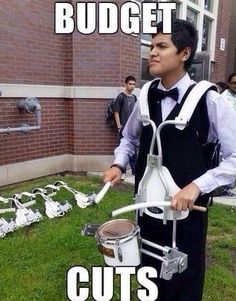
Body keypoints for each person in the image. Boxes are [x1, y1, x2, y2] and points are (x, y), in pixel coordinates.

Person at [103, 19, 236, 301]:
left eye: (162, 46)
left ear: (184, 54)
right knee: (148, 279)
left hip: (186, 218)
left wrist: (197, 186)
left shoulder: (211, 100)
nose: (152, 52)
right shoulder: (145, 94)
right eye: (151, 45)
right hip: (146, 212)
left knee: (183, 284)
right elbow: (129, 139)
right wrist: (119, 164)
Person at [113, 75, 137, 175]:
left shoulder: (135, 98)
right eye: (130, 84)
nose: (132, 86)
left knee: (134, 150)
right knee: (122, 150)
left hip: (132, 129)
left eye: (134, 84)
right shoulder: (121, 97)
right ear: (126, 84)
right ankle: (121, 172)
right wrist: (119, 126)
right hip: (123, 128)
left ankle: (135, 172)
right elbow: (116, 112)